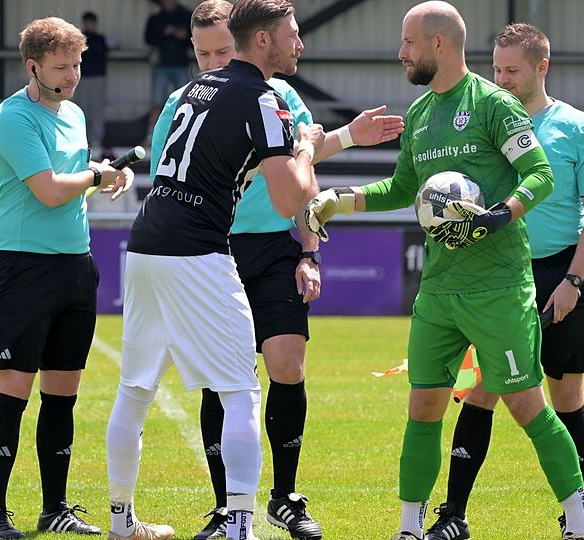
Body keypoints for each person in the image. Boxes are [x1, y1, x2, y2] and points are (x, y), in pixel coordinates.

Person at [305, 3, 584, 539]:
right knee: (423, 406)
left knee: (528, 405)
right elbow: (402, 188)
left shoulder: (494, 104)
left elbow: (540, 174)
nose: (401, 52)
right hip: (439, 290)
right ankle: (408, 528)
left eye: (409, 42)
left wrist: (499, 215)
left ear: (438, 44)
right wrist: (337, 200)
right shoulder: (420, 113)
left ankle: (582, 525)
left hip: (499, 288)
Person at [146, 2, 405, 539]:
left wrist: (309, 252)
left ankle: (284, 497)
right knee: (221, 381)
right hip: (211, 251)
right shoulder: (182, 101)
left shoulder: (278, 95)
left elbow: (299, 168)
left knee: (287, 363)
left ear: (243, 43)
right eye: (202, 55)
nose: (214, 63)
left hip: (271, 249)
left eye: (222, 51)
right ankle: (226, 508)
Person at [105, 1, 324, 539]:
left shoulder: (194, 88)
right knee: (240, 391)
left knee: (135, 387)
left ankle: (120, 520)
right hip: (198, 249)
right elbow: (288, 198)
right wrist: (307, 148)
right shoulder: (265, 98)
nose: (299, 44)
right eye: (292, 34)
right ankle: (240, 525)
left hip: (146, 241)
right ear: (264, 40)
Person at [426, 23, 584, 540]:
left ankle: (575, 517)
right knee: (480, 391)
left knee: (565, 395)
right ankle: (453, 515)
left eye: (512, 70)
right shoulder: (482, 119)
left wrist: (573, 280)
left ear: (541, 67)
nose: (501, 79)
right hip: (497, 274)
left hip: (558, 272)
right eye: (496, 69)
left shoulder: (577, 129)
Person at [0, 16, 137, 539]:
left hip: (75, 265)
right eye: (60, 67)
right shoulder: (13, 118)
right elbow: (48, 190)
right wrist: (96, 173)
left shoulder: (74, 113)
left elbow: (74, 180)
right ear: (33, 67)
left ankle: (55, 509)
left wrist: (109, 175)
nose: (71, 76)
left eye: (76, 65)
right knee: (13, 393)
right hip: (23, 267)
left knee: (63, 394)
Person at [144, 0, 193, 144]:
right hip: (161, 64)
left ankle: (186, 133)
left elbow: (194, 41)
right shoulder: (155, 18)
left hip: (181, 64)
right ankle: (150, 136)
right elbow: (148, 39)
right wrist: (164, 33)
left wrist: (183, 36)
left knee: (186, 101)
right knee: (157, 103)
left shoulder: (186, 16)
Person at [77, 11, 112, 158]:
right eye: (88, 22)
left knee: (97, 109)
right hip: (83, 78)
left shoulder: (100, 38)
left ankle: (96, 141)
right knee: (83, 109)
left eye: (92, 22)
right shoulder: (79, 38)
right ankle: (83, 140)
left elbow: (102, 52)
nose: (90, 25)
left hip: (98, 77)